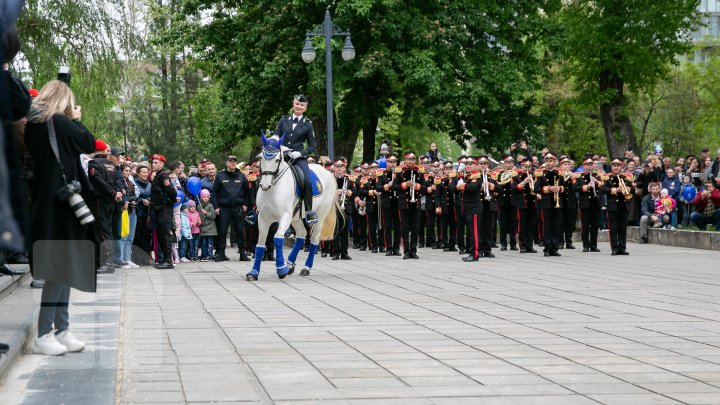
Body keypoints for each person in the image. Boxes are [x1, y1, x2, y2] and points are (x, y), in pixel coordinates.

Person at [25, 80, 96, 355]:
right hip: (61, 204)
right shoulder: (60, 122)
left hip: (47, 201)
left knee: (62, 268)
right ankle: (45, 333)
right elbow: (88, 142)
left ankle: (62, 329)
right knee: (59, 270)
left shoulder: (34, 125)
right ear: (64, 100)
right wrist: (77, 119)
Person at [275, 94, 318, 224]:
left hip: (298, 158)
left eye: (302, 105)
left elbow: (312, 146)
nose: (299, 106)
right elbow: (276, 137)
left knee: (307, 181)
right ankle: (257, 209)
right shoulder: (283, 120)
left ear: (305, 108)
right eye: (297, 104)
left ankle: (309, 211)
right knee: (267, 175)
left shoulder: (307, 124)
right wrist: (282, 148)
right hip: (282, 156)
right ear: (293, 104)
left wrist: (300, 153)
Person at [212, 155, 252, 262]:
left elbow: (247, 193)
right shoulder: (220, 176)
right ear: (227, 163)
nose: (232, 163)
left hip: (238, 207)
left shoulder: (241, 176)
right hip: (224, 208)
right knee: (222, 231)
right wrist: (216, 207)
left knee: (239, 230)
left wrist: (245, 204)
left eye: (234, 161)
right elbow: (214, 193)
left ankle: (242, 253)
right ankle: (221, 253)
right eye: (230, 161)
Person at [393, 152, 426, 259]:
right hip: (404, 203)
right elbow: (394, 187)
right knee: (405, 228)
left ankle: (414, 250)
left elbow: (425, 187)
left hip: (416, 202)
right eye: (409, 159)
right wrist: (404, 185)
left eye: (413, 159)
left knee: (415, 228)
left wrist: (418, 186)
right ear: (405, 160)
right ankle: (406, 251)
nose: (411, 161)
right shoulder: (399, 171)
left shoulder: (419, 171)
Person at [602, 158, 634, 255]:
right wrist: (615, 190)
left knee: (622, 228)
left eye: (618, 166)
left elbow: (633, 189)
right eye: (614, 166)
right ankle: (614, 248)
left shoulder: (626, 177)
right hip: (613, 206)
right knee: (613, 228)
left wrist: (628, 188)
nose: (616, 168)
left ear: (621, 167)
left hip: (624, 206)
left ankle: (622, 247)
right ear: (611, 167)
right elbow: (603, 189)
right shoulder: (607, 177)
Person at [150, 153, 177, 269]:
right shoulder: (158, 176)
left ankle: (168, 260)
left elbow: (172, 192)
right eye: (153, 162)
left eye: (156, 162)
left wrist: (169, 201)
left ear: (162, 164)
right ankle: (164, 259)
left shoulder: (164, 176)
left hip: (164, 208)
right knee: (161, 234)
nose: (153, 164)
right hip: (159, 208)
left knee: (165, 234)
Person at [574, 158, 602, 252]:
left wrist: (597, 182)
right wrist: (587, 186)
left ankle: (593, 245)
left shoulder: (597, 175)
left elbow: (603, 186)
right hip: (585, 203)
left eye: (590, 165)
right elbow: (575, 188)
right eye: (587, 165)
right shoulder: (579, 176)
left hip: (596, 203)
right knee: (585, 226)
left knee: (595, 225)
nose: (589, 166)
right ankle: (586, 245)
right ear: (583, 166)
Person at [332, 160, 355, 260]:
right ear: (334, 168)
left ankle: (344, 252)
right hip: (334, 207)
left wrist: (350, 192)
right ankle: (336, 252)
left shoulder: (349, 179)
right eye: (337, 166)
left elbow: (355, 192)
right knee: (336, 230)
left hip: (345, 207)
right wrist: (335, 192)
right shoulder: (330, 179)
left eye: (341, 167)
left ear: (344, 168)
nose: (339, 168)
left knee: (345, 231)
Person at [119, 163, 140, 268]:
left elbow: (133, 195)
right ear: (121, 171)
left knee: (130, 237)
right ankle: (121, 259)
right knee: (123, 236)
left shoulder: (131, 183)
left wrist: (133, 201)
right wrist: (128, 201)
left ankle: (127, 259)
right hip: (124, 211)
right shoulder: (119, 182)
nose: (127, 172)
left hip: (133, 210)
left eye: (129, 171)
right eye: (126, 170)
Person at [198, 189, 217, 261]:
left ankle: (210, 254)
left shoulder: (210, 206)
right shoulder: (199, 206)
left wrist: (206, 213)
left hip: (210, 228)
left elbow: (213, 216)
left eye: (207, 197)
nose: (206, 198)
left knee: (209, 242)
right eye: (204, 197)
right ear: (201, 198)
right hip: (203, 227)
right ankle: (204, 254)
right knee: (203, 243)